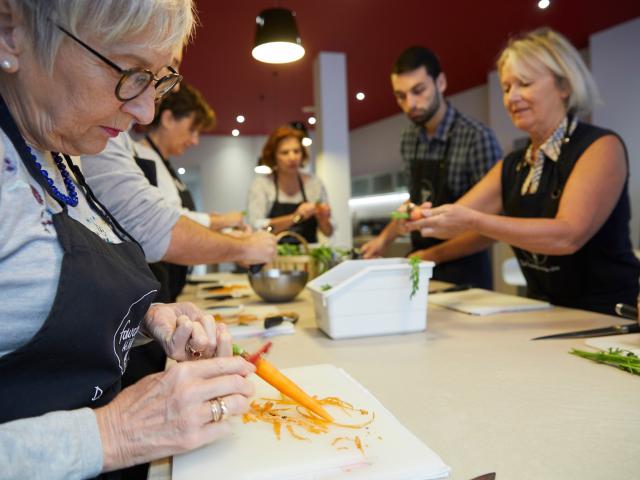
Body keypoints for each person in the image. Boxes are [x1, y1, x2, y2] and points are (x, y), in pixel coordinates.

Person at [0, 2, 256, 479]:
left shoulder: (57, 155)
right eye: (130, 73)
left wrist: (149, 319)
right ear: (10, 31)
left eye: (158, 81)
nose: (145, 110)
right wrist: (115, 433)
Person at [406, 27, 640, 315]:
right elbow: (452, 218)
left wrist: (475, 221)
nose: (511, 97)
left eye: (524, 84)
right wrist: (419, 217)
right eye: (506, 88)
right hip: (544, 311)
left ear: (564, 86)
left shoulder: (600, 147)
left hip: (606, 315)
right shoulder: (513, 165)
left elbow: (567, 235)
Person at [361, 46, 502, 289]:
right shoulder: (409, 138)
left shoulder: (476, 137)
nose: (410, 104)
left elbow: (490, 229)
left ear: (441, 82)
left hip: (466, 276)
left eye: (419, 91)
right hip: (422, 269)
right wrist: (383, 240)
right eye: (400, 96)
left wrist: (432, 257)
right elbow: (415, 205)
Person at [247, 125, 333, 243]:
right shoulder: (262, 185)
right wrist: (295, 217)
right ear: (274, 156)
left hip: (308, 256)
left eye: (296, 151)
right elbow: (258, 228)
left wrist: (323, 218)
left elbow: (328, 232)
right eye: (285, 152)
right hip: (272, 257)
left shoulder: (315, 184)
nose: (292, 157)